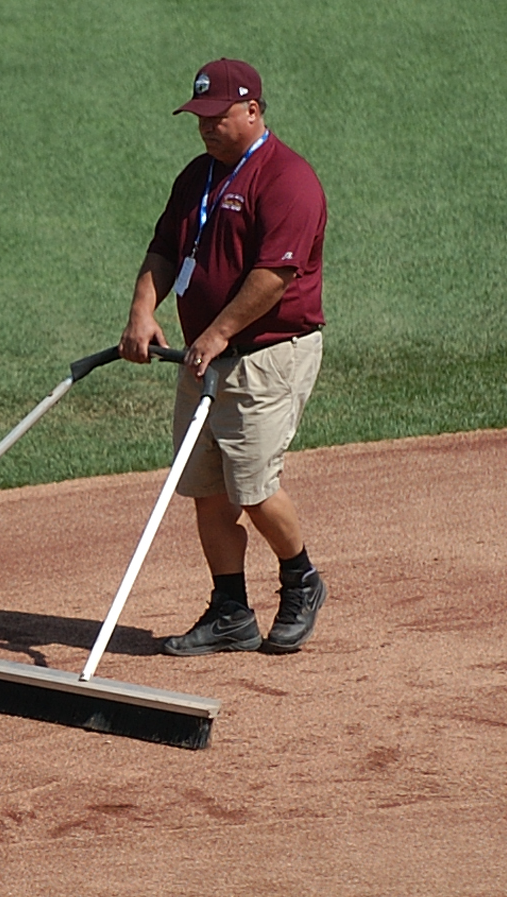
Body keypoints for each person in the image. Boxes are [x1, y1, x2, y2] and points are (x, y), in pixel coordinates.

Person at [119, 58, 329, 655]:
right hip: (204, 358)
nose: (207, 127)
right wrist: (142, 312)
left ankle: (301, 580)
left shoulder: (288, 178)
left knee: (254, 488)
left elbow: (274, 276)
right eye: (199, 117)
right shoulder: (198, 177)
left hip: (266, 355)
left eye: (217, 116)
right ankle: (231, 611)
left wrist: (216, 332)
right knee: (207, 488)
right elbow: (164, 248)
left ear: (253, 111)